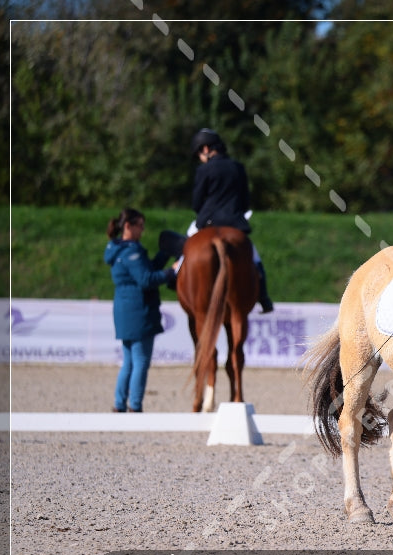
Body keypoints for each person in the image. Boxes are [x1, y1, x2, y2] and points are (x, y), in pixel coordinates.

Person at [189, 128, 274, 313]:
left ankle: (176, 277)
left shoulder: (204, 169)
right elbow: (245, 202)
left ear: (205, 148)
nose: (199, 157)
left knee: (185, 253)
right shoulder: (238, 167)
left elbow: (196, 203)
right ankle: (264, 298)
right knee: (255, 260)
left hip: (208, 221)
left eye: (199, 153)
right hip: (235, 223)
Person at [105, 208, 178, 412]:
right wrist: (172, 272)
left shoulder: (118, 249)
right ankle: (135, 405)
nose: (142, 231)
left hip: (124, 309)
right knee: (141, 361)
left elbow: (146, 269)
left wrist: (164, 255)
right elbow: (146, 279)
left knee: (128, 360)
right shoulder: (132, 251)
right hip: (138, 311)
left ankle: (120, 404)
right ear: (128, 226)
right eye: (140, 226)